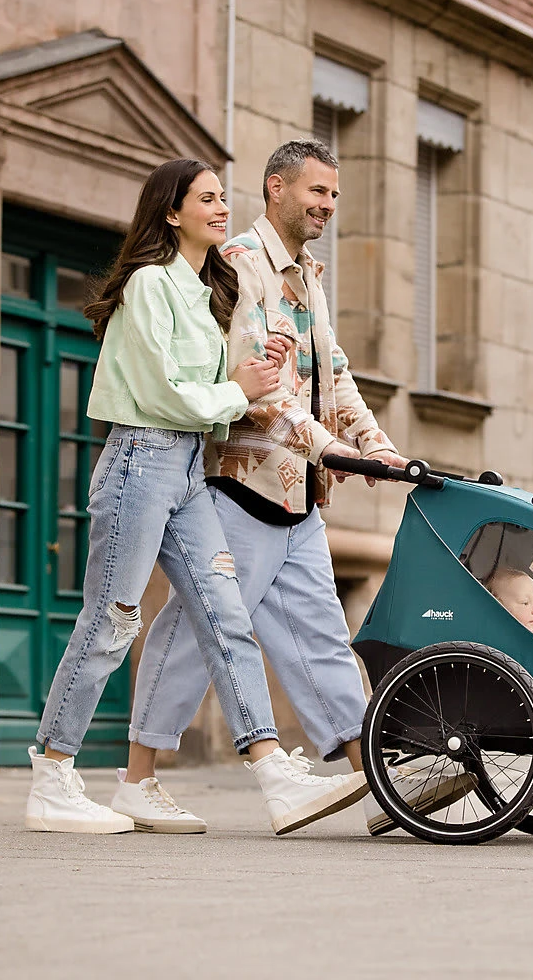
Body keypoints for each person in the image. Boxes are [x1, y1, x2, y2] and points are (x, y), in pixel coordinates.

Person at [119, 140, 471, 836]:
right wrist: (329, 445)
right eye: (317, 192)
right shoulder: (240, 266)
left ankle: (375, 780)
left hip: (299, 496)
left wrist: (381, 449)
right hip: (237, 487)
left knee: (322, 639)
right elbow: (260, 382)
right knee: (194, 632)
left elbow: (331, 372)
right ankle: (138, 780)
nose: (327, 206)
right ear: (275, 188)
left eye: (335, 196)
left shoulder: (307, 274)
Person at [25, 157, 368, 837]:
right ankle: (53, 777)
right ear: (171, 212)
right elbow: (164, 396)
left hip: (184, 470)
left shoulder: (204, 292)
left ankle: (272, 773)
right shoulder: (151, 285)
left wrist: (251, 372)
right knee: (113, 620)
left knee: (225, 614)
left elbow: (211, 405)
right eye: (205, 199)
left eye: (221, 198)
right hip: (139, 461)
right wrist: (238, 389)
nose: (220, 208)